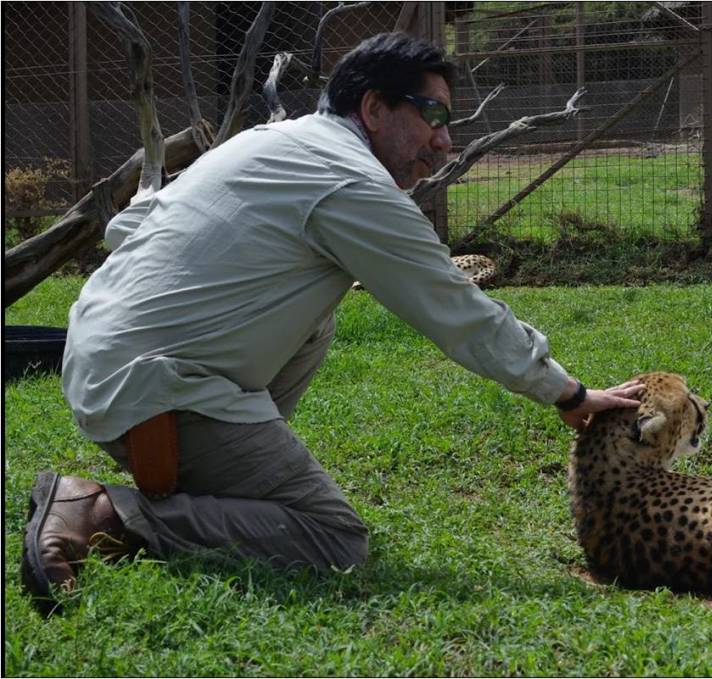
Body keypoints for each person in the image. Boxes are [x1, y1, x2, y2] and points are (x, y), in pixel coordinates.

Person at [21, 32, 643, 611]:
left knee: (317, 316)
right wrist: (565, 391)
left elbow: (128, 225)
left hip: (97, 356)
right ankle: (105, 512)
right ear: (374, 109)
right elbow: (453, 305)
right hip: (154, 389)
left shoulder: (270, 141)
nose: (445, 141)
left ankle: (208, 477)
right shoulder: (350, 180)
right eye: (433, 116)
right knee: (333, 540)